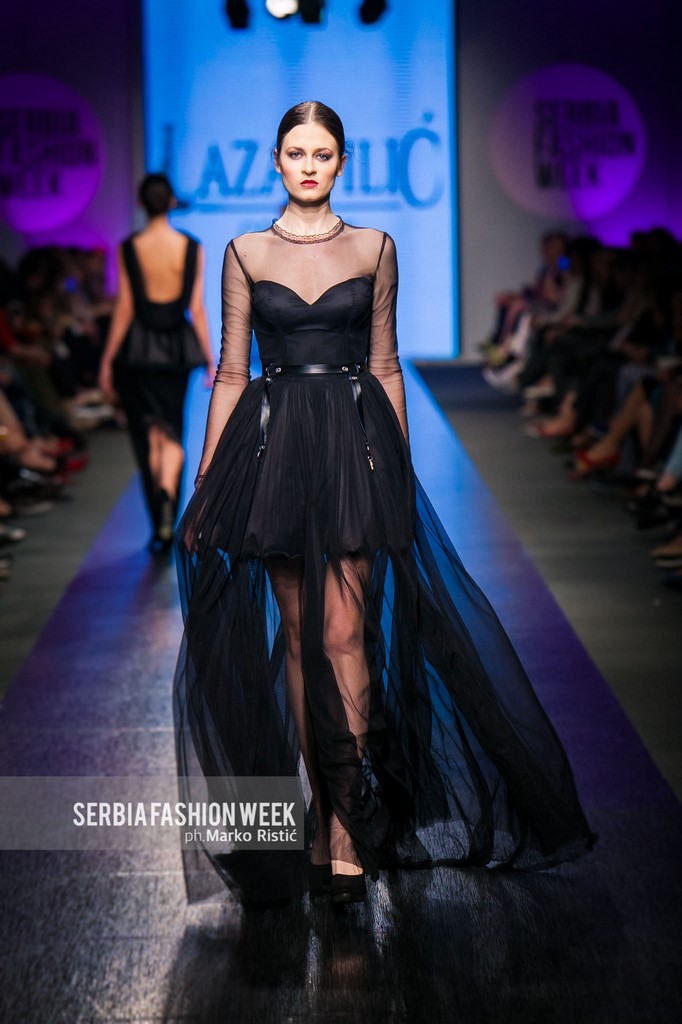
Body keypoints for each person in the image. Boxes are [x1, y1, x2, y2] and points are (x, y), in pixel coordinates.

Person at [173, 102, 595, 907]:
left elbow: (387, 365)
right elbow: (230, 371)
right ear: (275, 161)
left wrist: (395, 467)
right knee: (301, 641)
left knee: (344, 636)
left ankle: (346, 826)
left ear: (342, 162)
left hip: (351, 448)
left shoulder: (374, 248)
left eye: (322, 153)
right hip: (275, 456)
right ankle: (324, 806)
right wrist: (204, 485)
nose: (308, 166)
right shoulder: (244, 252)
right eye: (295, 152)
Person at [99, 174, 214, 547]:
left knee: (150, 432)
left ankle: (157, 516)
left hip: (140, 352)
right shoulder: (191, 247)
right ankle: (169, 495)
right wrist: (210, 358)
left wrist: (107, 360)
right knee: (173, 429)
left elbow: (125, 307)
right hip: (177, 351)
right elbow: (196, 308)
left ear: (141, 203)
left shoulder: (130, 247)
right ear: (171, 202)